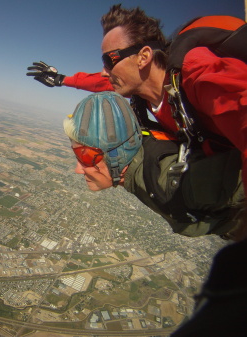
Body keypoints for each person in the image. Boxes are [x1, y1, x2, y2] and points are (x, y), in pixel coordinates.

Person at [27, 4, 247, 197]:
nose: (105, 72)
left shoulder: (198, 73)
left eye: (109, 60)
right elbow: (99, 82)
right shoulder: (143, 89)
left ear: (143, 57)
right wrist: (61, 79)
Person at [64, 91, 244, 238]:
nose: (78, 169)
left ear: (116, 154)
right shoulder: (140, 166)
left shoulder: (171, 180)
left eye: (85, 156)